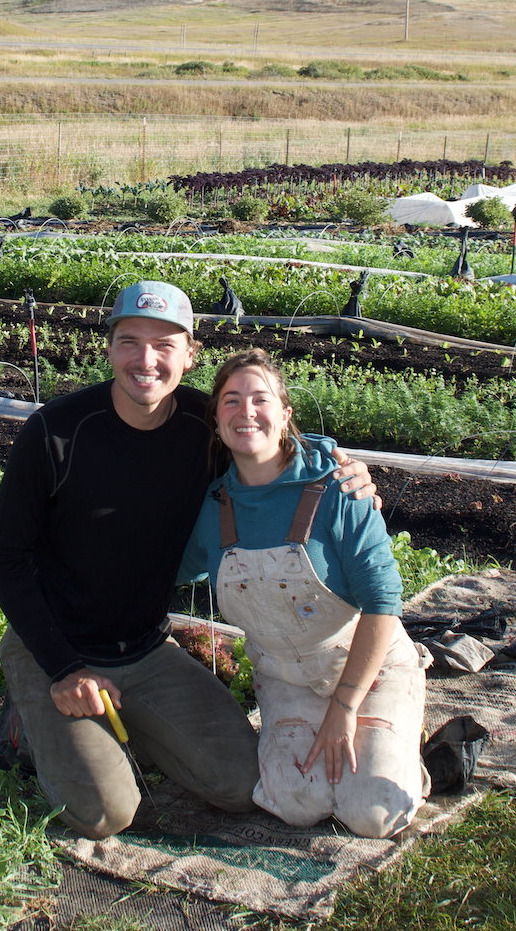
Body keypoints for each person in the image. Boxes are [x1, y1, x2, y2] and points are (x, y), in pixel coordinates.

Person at [0, 282, 376, 840]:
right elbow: (5, 558)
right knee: (105, 814)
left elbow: (271, 438)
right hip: (56, 649)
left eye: (165, 345)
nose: (147, 360)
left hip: (145, 650)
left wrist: (342, 466)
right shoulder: (56, 432)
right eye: (130, 342)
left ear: (190, 355)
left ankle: (124, 726)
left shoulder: (202, 425)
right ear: (110, 349)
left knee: (242, 785)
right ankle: (28, 718)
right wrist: (64, 668)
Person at [175, 348, 426, 838]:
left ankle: (401, 721)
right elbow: (166, 572)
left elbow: (382, 604)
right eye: (230, 401)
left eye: (260, 399)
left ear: (285, 413)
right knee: (295, 802)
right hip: (286, 677)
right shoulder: (213, 508)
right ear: (216, 420)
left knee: (373, 813)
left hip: (366, 669)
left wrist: (345, 709)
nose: (246, 412)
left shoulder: (338, 489)